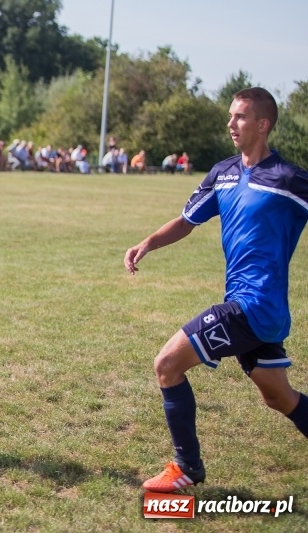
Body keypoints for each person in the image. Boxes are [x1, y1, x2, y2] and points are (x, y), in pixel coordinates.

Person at [123, 87, 308, 493]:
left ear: (263, 124)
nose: (231, 124)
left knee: (167, 364)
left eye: (240, 117)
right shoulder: (223, 173)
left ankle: (187, 467)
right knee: (281, 399)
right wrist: (148, 243)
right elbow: (187, 220)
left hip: (253, 307)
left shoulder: (289, 179)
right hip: (252, 309)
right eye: (230, 116)